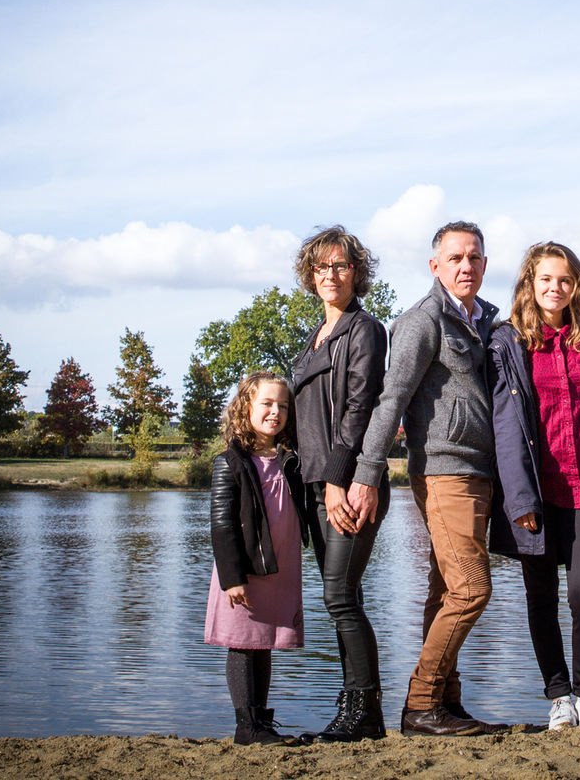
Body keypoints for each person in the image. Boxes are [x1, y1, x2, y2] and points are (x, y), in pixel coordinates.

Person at [351, 220, 500, 737]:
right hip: (442, 470)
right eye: (455, 258)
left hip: (481, 472)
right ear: (435, 266)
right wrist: (368, 472)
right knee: (471, 591)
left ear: (484, 264)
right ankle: (420, 704)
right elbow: (391, 399)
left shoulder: (486, 321)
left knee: (444, 592)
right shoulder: (422, 320)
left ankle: (446, 704)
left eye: (475, 257)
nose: (466, 266)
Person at [488, 241, 580, 731]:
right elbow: (505, 426)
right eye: (546, 279)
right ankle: (559, 695)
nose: (555, 288)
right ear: (530, 283)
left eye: (565, 280)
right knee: (540, 598)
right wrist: (518, 498)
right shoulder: (508, 344)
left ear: (577, 287)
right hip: (535, 495)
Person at [288, 225, 390, 742]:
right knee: (343, 596)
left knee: (339, 595)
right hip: (314, 486)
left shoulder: (365, 330)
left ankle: (365, 712)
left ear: (356, 273)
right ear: (311, 275)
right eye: (322, 266)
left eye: (341, 265)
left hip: (347, 485)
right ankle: (353, 706)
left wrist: (335, 480)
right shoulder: (315, 339)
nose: (331, 274)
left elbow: (357, 411)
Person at [204, 372, 307, 746]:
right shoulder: (230, 462)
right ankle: (245, 726)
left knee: (263, 641)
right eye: (266, 403)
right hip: (245, 569)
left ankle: (261, 722)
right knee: (244, 641)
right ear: (246, 407)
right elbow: (222, 525)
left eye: (282, 405)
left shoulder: (289, 460)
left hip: (280, 566)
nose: (275, 412)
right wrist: (232, 577)